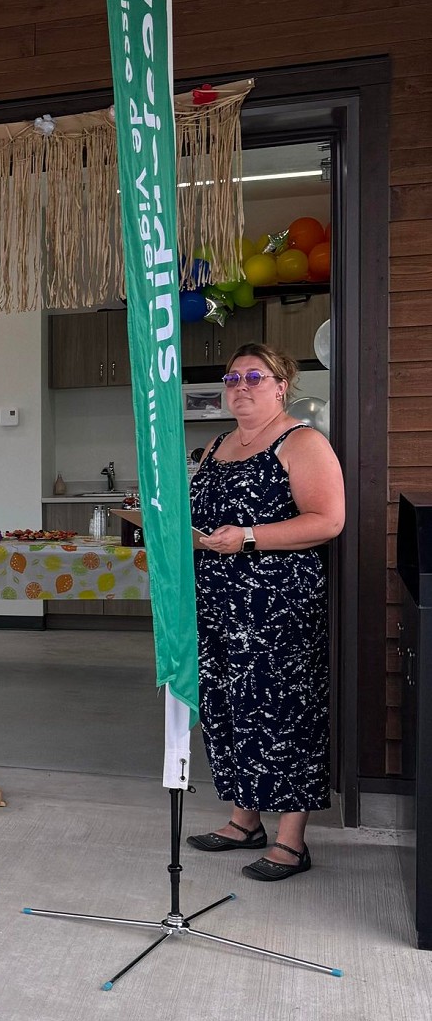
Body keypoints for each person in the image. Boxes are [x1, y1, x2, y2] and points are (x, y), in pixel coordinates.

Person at [187, 343, 345, 880]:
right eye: (233, 378)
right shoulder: (214, 446)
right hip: (216, 604)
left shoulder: (301, 441)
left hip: (277, 607)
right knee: (228, 708)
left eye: (255, 376)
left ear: (282, 385)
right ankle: (243, 820)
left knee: (284, 713)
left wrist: (250, 537)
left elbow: (327, 520)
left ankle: (291, 840)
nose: (242, 386)